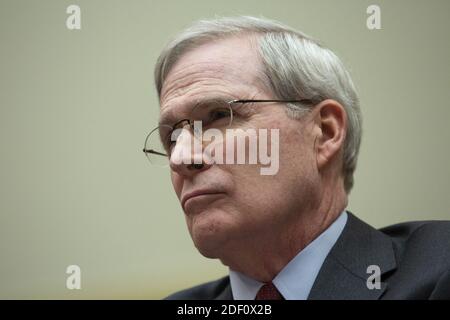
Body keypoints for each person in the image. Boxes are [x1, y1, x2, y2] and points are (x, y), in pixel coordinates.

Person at [144, 16, 450, 300]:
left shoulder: (438, 271)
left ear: (325, 133)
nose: (180, 158)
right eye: (172, 136)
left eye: (218, 115)